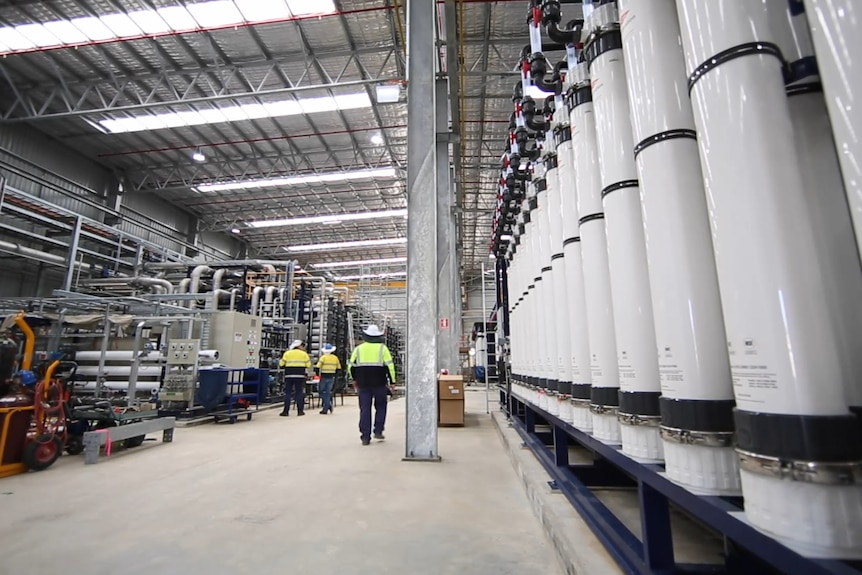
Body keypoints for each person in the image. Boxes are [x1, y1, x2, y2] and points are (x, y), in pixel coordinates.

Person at [348, 324, 395, 446]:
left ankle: (365, 437)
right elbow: (390, 366)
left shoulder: (358, 349)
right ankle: (378, 430)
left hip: (363, 384)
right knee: (381, 407)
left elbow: (351, 366)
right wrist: (392, 382)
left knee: (365, 409)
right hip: (380, 383)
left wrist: (354, 379)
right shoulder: (383, 348)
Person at [279, 339, 311, 416]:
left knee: (288, 393)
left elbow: (281, 363)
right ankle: (300, 411)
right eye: (302, 346)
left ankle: (285, 411)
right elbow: (308, 365)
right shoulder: (304, 354)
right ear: (299, 346)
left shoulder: (287, 353)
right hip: (300, 375)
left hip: (288, 375)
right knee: (299, 392)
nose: (303, 347)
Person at [315, 343, 341, 414]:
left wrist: (317, 375)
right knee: (328, 392)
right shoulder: (335, 358)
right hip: (331, 377)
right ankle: (327, 406)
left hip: (324, 376)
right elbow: (338, 368)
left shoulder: (323, 357)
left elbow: (317, 367)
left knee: (321, 391)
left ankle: (327, 406)